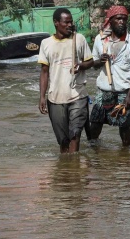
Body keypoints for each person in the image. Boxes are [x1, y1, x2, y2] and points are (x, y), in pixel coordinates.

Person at [37, 8, 94, 154]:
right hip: (55, 98)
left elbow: (90, 61)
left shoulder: (79, 39)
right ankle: (65, 173)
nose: (69, 25)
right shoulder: (46, 43)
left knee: (75, 134)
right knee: (63, 141)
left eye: (71, 22)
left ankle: (74, 170)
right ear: (56, 23)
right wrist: (42, 97)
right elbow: (44, 72)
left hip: (77, 95)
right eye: (66, 22)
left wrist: (80, 66)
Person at [86, 6, 130, 146]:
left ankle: (125, 163)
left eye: (124, 19)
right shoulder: (100, 40)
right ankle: (94, 159)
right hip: (104, 91)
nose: (121, 22)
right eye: (118, 19)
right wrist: (100, 61)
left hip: (123, 92)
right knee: (95, 127)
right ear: (110, 21)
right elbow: (93, 63)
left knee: (125, 133)